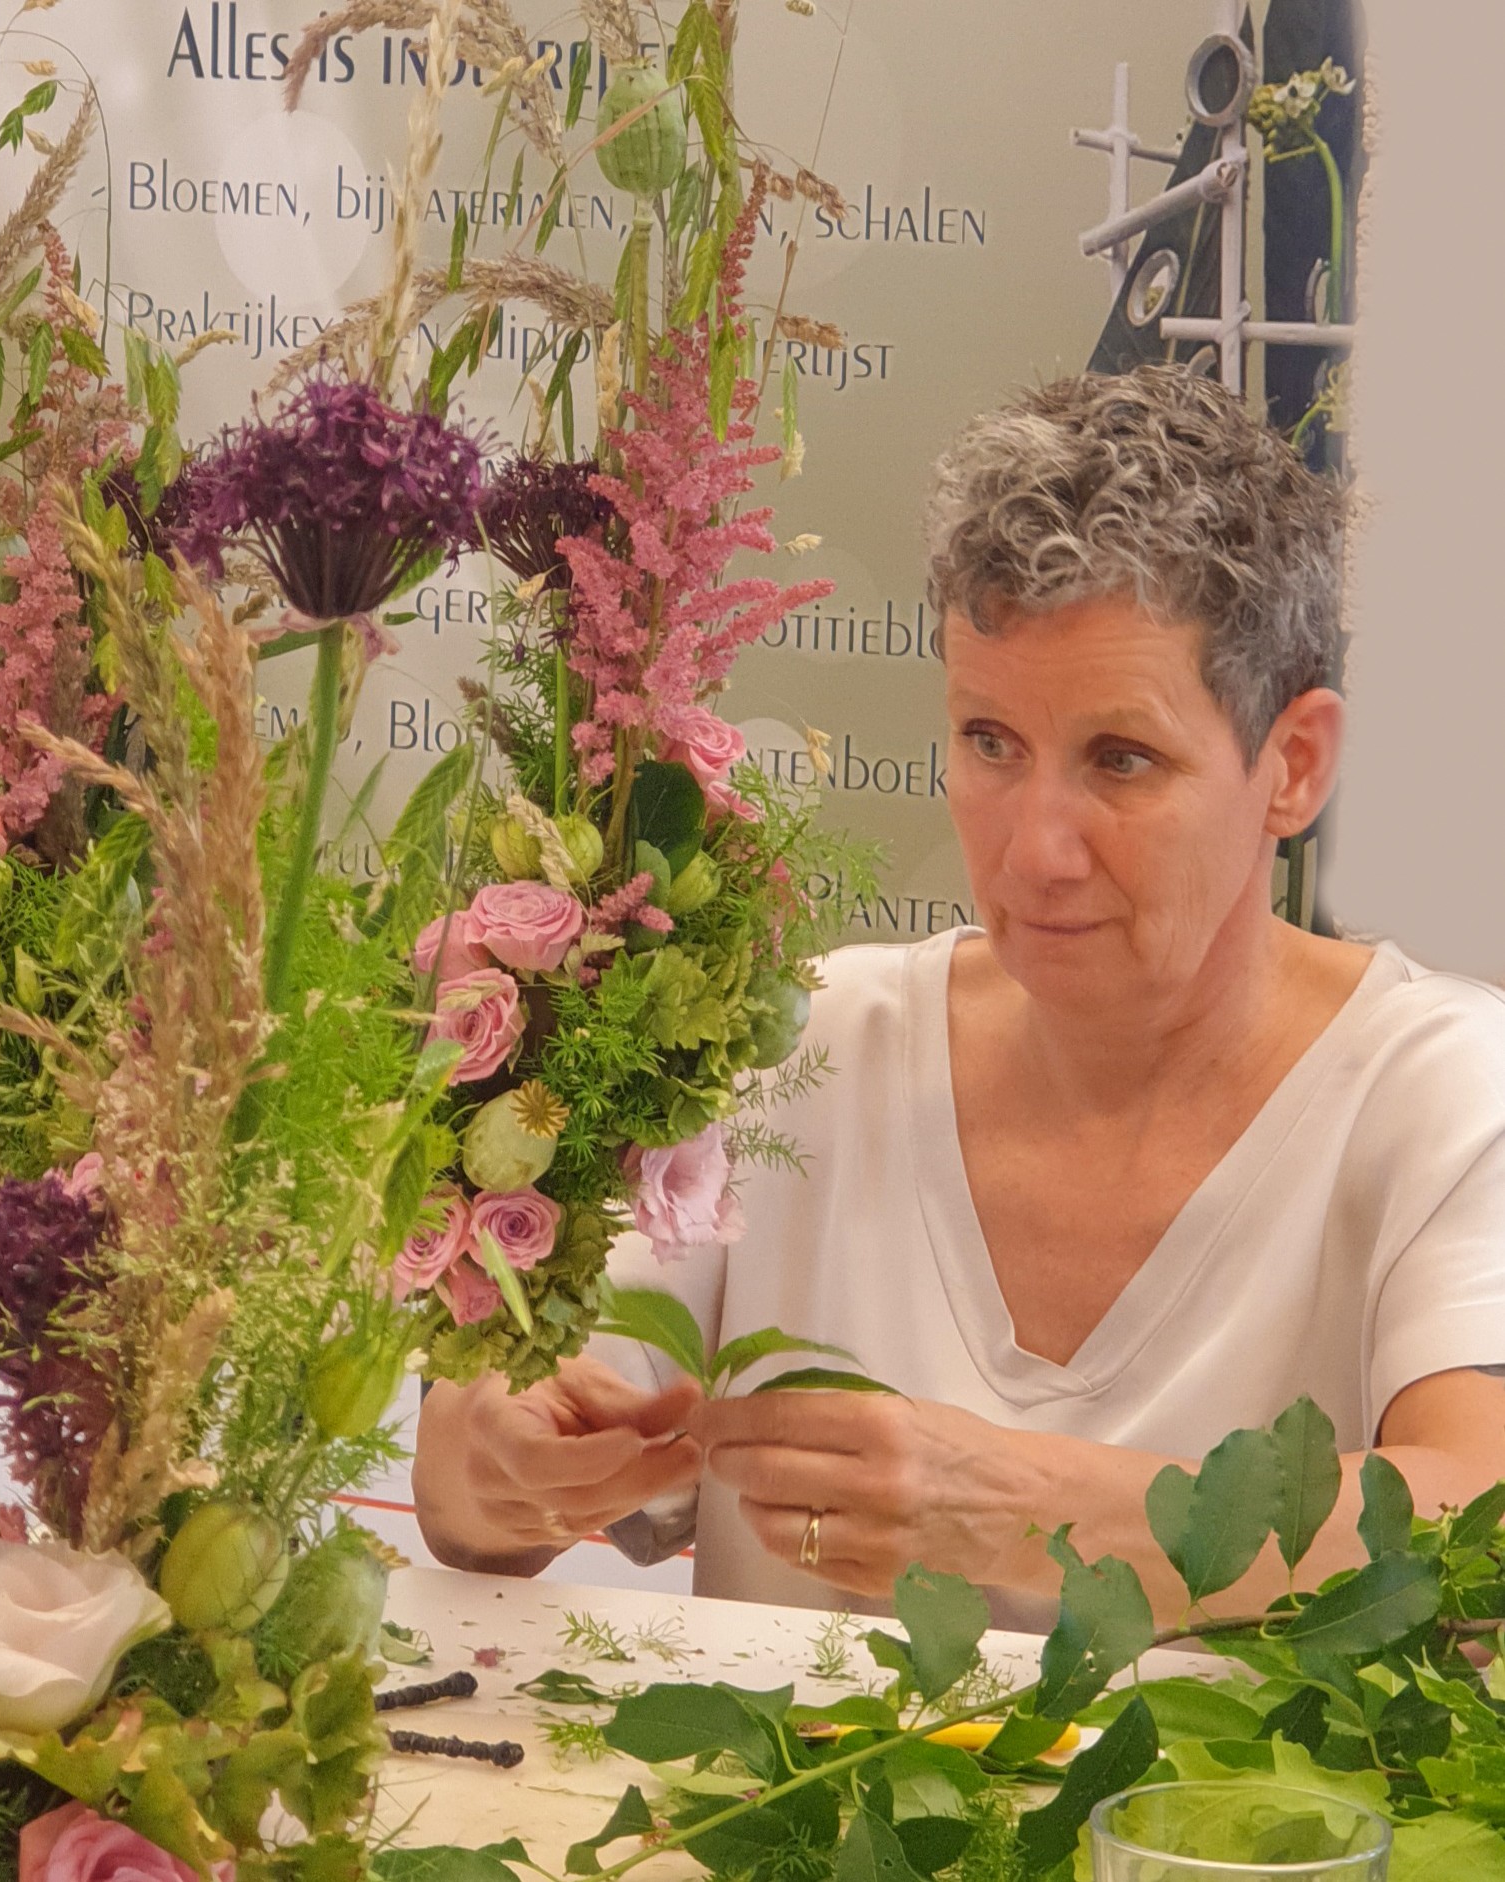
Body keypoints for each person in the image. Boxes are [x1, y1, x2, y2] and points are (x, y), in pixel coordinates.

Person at [411, 367, 1505, 1624]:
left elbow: (1474, 1527)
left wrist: (1025, 1515)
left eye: (1121, 760)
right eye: (991, 742)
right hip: (772, 1763)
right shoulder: (805, 1044)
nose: (1036, 848)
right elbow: (473, 1485)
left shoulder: (1434, 1091)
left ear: (1293, 764)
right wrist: (496, 1465)